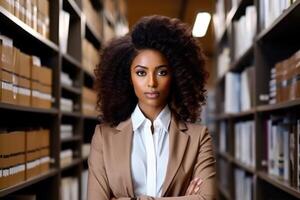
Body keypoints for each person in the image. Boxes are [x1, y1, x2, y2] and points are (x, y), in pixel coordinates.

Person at [88, 15, 216, 200]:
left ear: (176, 76)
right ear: (128, 77)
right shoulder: (103, 137)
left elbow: (207, 198)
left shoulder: (198, 137)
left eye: (162, 72)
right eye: (141, 72)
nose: (152, 82)